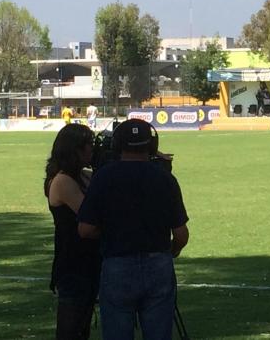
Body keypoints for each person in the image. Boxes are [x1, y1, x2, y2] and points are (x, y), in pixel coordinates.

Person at [78, 119, 189, 340]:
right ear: (152, 145)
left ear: (117, 145)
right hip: (159, 264)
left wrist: (113, 231)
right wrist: (171, 251)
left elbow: (85, 229)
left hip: (117, 265)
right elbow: (181, 234)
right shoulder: (165, 178)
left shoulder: (103, 177)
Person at [44, 124, 100, 339]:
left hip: (90, 259)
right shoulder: (63, 181)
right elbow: (91, 215)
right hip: (72, 263)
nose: (92, 150)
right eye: (89, 145)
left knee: (82, 327)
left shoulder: (84, 176)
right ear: (75, 149)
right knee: (70, 329)